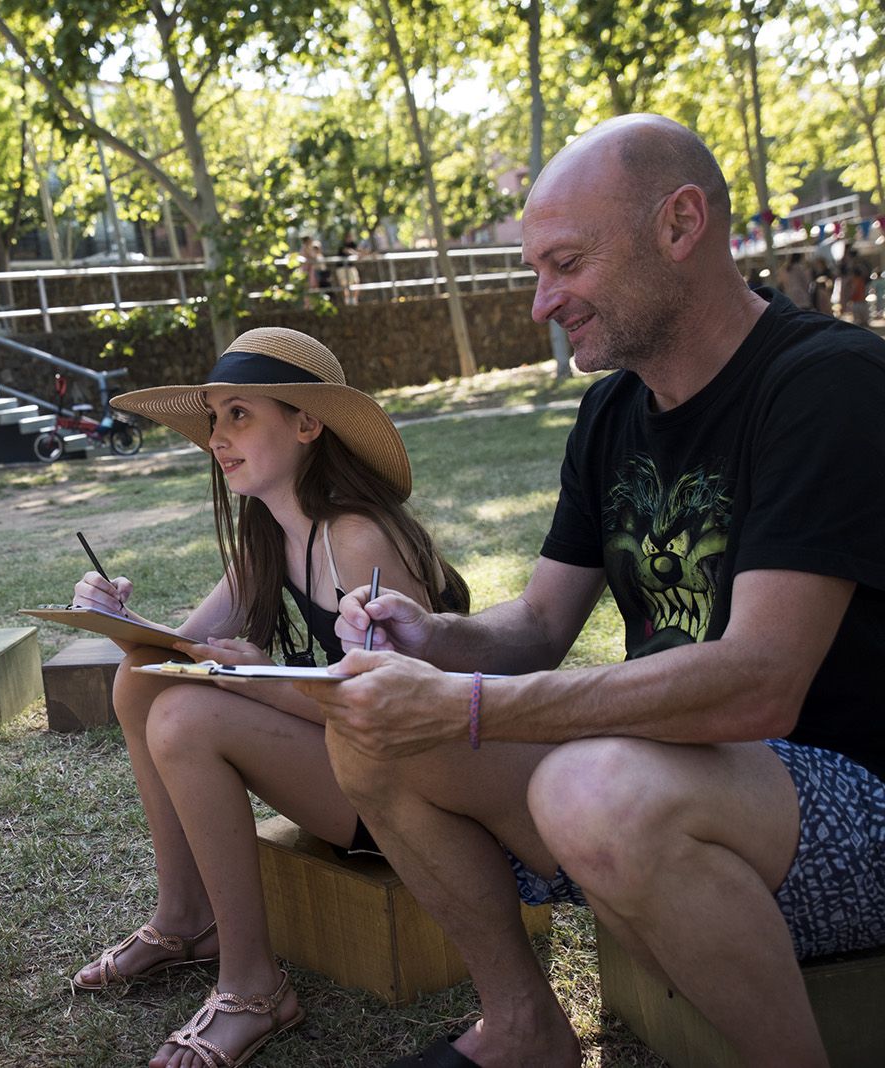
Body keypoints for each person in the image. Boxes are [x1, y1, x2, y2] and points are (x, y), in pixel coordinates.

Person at [307, 114, 885, 1068]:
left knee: (592, 785)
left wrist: (473, 703)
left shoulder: (829, 385)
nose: (543, 303)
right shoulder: (612, 411)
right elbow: (537, 623)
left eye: (566, 264)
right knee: (373, 734)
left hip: (853, 809)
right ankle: (523, 1029)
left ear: (680, 224)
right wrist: (434, 641)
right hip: (669, 785)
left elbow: (759, 682)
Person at [67, 327, 468, 1068]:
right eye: (213, 418)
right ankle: (186, 918)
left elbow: (404, 720)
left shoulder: (356, 539)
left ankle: (254, 988)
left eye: (239, 414)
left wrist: (257, 673)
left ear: (308, 423)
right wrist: (117, 620)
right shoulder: (271, 533)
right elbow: (171, 656)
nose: (218, 437)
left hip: (421, 796)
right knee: (143, 680)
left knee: (189, 716)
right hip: (353, 769)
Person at [300, 236, 323, 308]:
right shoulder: (305, 248)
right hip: (306, 270)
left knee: (313, 286)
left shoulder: (307, 248)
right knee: (308, 286)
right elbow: (313, 256)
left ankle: (313, 303)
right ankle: (308, 304)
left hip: (311, 270)